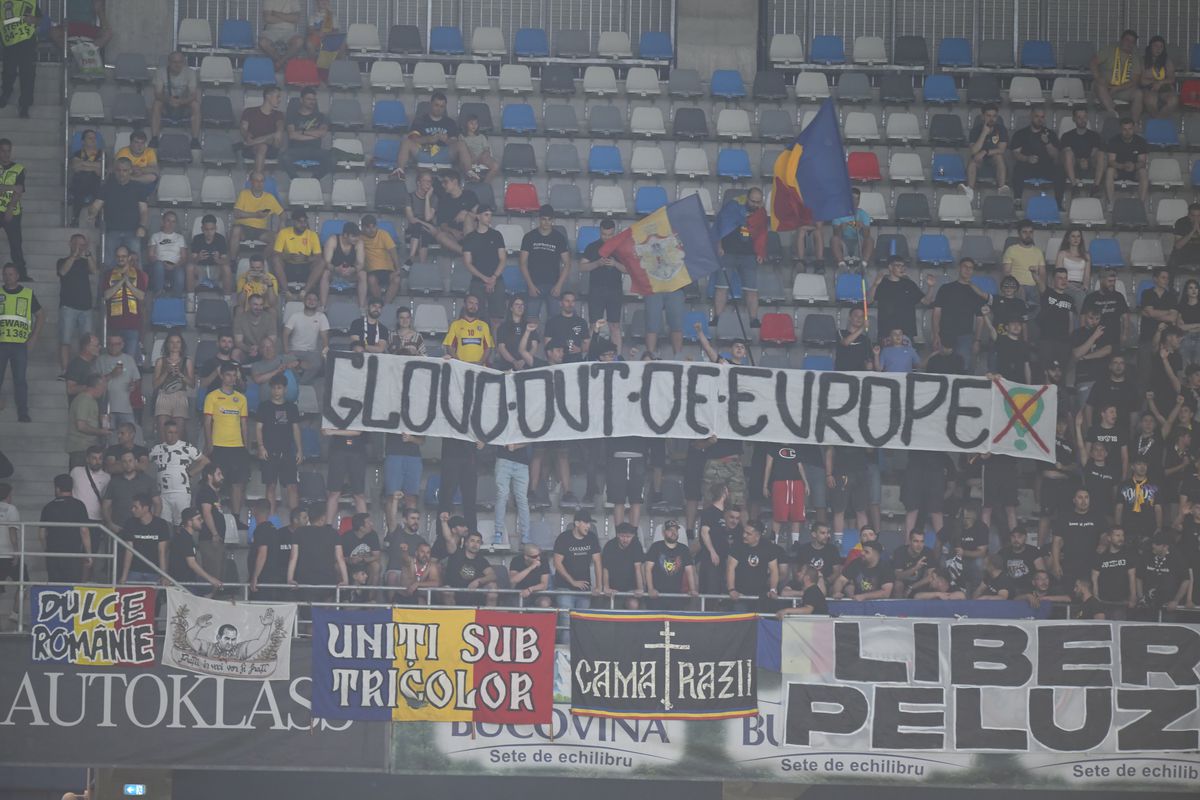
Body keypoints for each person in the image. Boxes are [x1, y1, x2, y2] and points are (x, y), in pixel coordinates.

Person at [714, 187, 767, 326]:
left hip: (749, 255)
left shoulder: (761, 214)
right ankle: (717, 317)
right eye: (753, 201)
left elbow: (762, 234)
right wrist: (719, 246)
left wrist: (760, 252)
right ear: (747, 198)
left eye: (758, 202)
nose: (755, 204)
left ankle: (754, 319)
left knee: (752, 290)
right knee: (721, 287)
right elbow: (720, 227)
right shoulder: (732, 207)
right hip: (728, 253)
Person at [203, 363, 250, 522]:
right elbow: (207, 422)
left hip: (237, 447)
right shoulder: (212, 396)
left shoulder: (241, 398)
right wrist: (209, 444)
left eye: (234, 375)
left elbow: (244, 424)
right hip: (218, 446)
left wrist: (245, 445)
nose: (231, 378)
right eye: (228, 375)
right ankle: (215, 517)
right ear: (222, 376)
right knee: (216, 484)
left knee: (237, 484)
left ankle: (236, 518)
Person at [393, 91, 473, 179]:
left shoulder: (450, 122)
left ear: (445, 107)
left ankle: (469, 173)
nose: (439, 108)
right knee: (406, 142)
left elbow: (454, 142)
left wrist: (446, 140)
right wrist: (428, 139)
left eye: (442, 106)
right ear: (431, 104)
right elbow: (412, 139)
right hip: (424, 152)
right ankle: (399, 171)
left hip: (444, 154)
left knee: (461, 144)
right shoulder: (420, 120)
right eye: (436, 105)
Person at [0, 261, 42, 422]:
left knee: (20, 380)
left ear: (17, 276)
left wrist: (34, 337)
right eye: (5, 274)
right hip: (1, 343)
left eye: (11, 274)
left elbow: (41, 315)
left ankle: (23, 412)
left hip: (19, 344)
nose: (8, 277)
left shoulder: (27, 293)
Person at [87, 158, 148, 267]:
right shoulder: (107, 187)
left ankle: (137, 285)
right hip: (112, 231)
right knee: (109, 264)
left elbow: (143, 210)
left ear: (130, 171)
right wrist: (92, 212)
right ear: (115, 171)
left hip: (133, 231)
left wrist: (142, 226)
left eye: (125, 170)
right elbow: (96, 205)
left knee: (135, 263)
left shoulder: (138, 187)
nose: (121, 173)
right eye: (119, 170)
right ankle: (108, 284)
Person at [933, 258, 990, 371]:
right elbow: (936, 313)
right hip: (945, 334)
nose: (968, 270)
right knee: (942, 369)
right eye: (965, 266)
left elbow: (980, 318)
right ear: (959, 268)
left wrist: (977, 340)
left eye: (971, 268)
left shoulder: (976, 292)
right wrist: (936, 334)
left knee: (963, 369)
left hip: (965, 336)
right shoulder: (946, 288)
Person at [519, 205, 571, 320]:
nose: (546, 222)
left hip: (553, 285)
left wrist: (559, 285)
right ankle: (532, 339)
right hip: (534, 284)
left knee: (555, 320)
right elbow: (522, 263)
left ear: (553, 220)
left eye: (549, 219)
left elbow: (567, 263)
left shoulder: (559, 238)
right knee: (531, 319)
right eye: (544, 219)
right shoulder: (529, 237)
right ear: (539, 219)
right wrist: (530, 285)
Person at [148, 420, 204, 526]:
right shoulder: (156, 449)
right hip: (163, 494)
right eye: (170, 432)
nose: (173, 435)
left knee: (183, 524)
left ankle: (181, 542)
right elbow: (145, 464)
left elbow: (205, 461)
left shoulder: (186, 447)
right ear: (164, 432)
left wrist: (192, 473)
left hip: (181, 493)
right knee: (164, 525)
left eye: (175, 432)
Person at [288, 505, 348, 603]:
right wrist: (345, 580)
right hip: (328, 580)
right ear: (323, 518)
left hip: (305, 581)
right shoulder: (333, 533)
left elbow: (293, 557)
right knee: (326, 612)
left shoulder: (299, 532)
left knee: (308, 612)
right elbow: (340, 557)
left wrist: (290, 579)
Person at [40, 474, 93, 583]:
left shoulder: (48, 507)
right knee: (72, 586)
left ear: (57, 488)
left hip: (53, 553)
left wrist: (47, 551)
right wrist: (89, 554)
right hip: (73, 554)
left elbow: (41, 534)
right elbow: (84, 531)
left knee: (55, 587)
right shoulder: (79, 505)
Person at [869, 257, 936, 342]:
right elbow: (868, 301)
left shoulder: (909, 284)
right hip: (886, 333)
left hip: (906, 332)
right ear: (890, 267)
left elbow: (926, 302)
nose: (902, 268)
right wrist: (875, 285)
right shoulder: (881, 284)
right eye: (898, 265)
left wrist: (931, 287)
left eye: (903, 266)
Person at [461, 206, 507, 327]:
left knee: (497, 318)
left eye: (490, 215)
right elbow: (467, 262)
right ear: (478, 216)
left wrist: (493, 277)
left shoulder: (497, 235)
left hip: (497, 280)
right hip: (477, 281)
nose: (489, 218)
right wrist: (485, 278)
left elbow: (503, 259)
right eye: (486, 214)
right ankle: (479, 345)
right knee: (475, 317)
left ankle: (497, 345)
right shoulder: (470, 238)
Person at [101, 246, 148, 361]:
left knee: (129, 361)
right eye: (118, 256)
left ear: (129, 258)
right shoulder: (109, 274)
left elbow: (141, 296)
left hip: (132, 325)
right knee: (114, 360)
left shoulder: (138, 274)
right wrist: (121, 281)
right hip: (114, 326)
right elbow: (106, 295)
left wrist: (129, 283)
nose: (120, 259)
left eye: (123, 256)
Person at [228, 171, 284, 266]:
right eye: (256, 181)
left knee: (278, 237)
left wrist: (282, 224)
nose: (259, 184)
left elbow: (282, 214)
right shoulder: (244, 194)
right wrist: (255, 215)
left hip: (260, 231)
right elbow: (236, 214)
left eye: (262, 181)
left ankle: (261, 262)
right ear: (251, 182)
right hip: (243, 228)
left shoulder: (269, 197)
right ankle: (233, 261)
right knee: (236, 230)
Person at [726, 520, 782, 611]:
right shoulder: (737, 545)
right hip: (740, 594)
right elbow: (730, 568)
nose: (744, 535)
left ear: (757, 536)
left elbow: (774, 570)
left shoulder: (768, 547)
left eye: (748, 534)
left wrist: (773, 589)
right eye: (744, 532)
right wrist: (731, 589)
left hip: (761, 595)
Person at [102, 450, 160, 537]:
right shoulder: (113, 482)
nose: (128, 464)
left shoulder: (148, 481)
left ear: (136, 462)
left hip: (142, 529)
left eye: (130, 461)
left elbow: (158, 503)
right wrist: (110, 523)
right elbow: (106, 506)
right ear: (121, 464)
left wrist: (152, 523)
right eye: (124, 461)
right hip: (119, 528)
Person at [149, 51, 200, 148]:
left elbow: (193, 95)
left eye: (180, 62)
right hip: (166, 102)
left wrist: (181, 101)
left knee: (196, 105)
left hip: (184, 103)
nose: (177, 65)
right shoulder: (160, 72)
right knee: (156, 104)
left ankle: (195, 139)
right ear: (169, 62)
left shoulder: (190, 73)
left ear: (183, 62)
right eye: (174, 62)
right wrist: (169, 100)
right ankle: (154, 137)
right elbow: (158, 94)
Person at [553, 510, 602, 609]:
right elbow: (557, 563)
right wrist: (573, 582)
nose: (589, 526)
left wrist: (599, 586)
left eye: (589, 523)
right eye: (586, 523)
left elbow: (598, 562)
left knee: (582, 620)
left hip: (584, 588)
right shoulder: (563, 538)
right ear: (577, 523)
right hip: (564, 587)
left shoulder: (592, 538)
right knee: (565, 619)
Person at [273, 210, 325, 302]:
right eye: (300, 222)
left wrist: (306, 258)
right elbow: (276, 253)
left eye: (305, 221)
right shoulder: (284, 233)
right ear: (293, 222)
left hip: (305, 267)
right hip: (289, 266)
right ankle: (287, 292)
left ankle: (304, 292)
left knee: (321, 262)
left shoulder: (312, 235)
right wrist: (290, 257)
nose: (303, 224)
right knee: (276, 259)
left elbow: (318, 256)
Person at [1091, 30, 1144, 121]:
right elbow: (1093, 62)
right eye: (1127, 40)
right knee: (1100, 84)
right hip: (1105, 87)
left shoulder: (1135, 57)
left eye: (1132, 42)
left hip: (1122, 90)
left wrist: (1117, 88)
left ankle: (1134, 124)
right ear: (1121, 40)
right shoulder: (1110, 49)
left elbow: (1135, 81)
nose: (1129, 43)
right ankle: (1114, 115)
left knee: (1138, 93)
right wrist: (1098, 77)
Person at [644, 519, 697, 609]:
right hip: (657, 594)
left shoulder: (683, 549)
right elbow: (647, 569)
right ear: (664, 533)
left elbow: (689, 571)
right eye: (670, 530)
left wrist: (692, 589)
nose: (674, 532)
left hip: (676, 595)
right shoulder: (656, 547)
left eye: (675, 530)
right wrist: (650, 589)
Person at [117, 494, 169, 584]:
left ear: (145, 508)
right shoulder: (130, 523)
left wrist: (164, 575)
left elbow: (162, 551)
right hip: (134, 571)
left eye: (135, 507)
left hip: (154, 572)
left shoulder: (161, 524)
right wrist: (124, 576)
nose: (132, 510)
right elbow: (129, 550)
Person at [168, 507, 223, 592]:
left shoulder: (184, 536)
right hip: (183, 584)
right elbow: (192, 563)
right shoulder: (184, 538)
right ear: (189, 522)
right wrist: (211, 579)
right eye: (199, 519)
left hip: (187, 580)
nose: (202, 521)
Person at [283, 86, 333, 179]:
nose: (312, 102)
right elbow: (292, 135)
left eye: (314, 99)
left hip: (315, 150)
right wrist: (314, 135)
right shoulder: (292, 116)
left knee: (332, 159)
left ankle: (314, 179)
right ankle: (296, 180)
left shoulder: (321, 116)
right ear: (301, 100)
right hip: (296, 150)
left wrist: (302, 132)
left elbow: (322, 133)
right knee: (284, 157)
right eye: (309, 99)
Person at [0, 1, 39, 118]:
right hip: (9, 41)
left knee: (27, 73)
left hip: (27, 41)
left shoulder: (32, 2)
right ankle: (6, 93)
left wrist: (34, 20)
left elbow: (43, 20)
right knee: (9, 71)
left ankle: (25, 104)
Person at [282, 290, 329, 383]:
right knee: (284, 362)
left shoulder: (321, 317)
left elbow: (325, 337)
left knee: (318, 364)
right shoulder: (295, 316)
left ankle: (300, 383)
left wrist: (324, 353)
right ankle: (298, 380)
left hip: (311, 352)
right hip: (294, 351)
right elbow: (285, 333)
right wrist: (287, 350)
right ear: (304, 301)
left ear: (318, 303)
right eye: (309, 299)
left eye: (314, 300)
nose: (311, 302)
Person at [322, 426, 367, 522]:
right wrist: (329, 431)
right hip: (337, 450)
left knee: (359, 494)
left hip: (357, 451)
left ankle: (365, 528)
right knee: (334, 493)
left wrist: (332, 432)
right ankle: (328, 528)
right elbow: (324, 430)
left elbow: (357, 431)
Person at [441, 530, 497, 606]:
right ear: (466, 543)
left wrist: (479, 581)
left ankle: (489, 616)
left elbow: (492, 575)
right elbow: (448, 539)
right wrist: (443, 521)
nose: (475, 544)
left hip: (474, 596)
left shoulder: (482, 560)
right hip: (455, 595)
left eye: (478, 542)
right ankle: (453, 617)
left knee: (493, 586)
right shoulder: (456, 553)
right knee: (446, 589)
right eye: (472, 541)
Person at [240, 85, 285, 176]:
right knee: (262, 146)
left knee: (265, 144)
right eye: (278, 97)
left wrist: (276, 133)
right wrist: (246, 135)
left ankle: (257, 177)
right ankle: (258, 179)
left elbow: (279, 133)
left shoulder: (279, 115)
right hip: (250, 149)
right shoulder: (249, 111)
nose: (280, 100)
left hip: (271, 148)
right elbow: (243, 128)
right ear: (268, 96)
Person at [320, 221, 365, 309]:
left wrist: (353, 270)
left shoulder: (359, 243)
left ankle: (362, 307)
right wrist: (336, 269)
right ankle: (322, 306)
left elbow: (361, 264)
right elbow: (326, 262)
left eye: (357, 236)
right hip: (334, 272)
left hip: (350, 273)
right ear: (345, 235)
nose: (356, 239)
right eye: (353, 236)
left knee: (363, 274)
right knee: (325, 273)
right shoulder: (332, 240)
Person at [1104, 117, 1149, 206]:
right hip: (1118, 170)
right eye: (1124, 129)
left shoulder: (1141, 141)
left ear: (1134, 128)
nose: (1127, 132)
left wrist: (1134, 166)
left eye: (1130, 129)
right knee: (1109, 171)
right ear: (1120, 129)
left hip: (1134, 171)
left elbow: (1142, 162)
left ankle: (1141, 204)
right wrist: (1122, 166)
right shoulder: (1113, 141)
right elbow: (1111, 161)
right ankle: (1110, 203)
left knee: (1143, 171)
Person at [65, 375, 107, 469]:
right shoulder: (84, 400)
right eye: (103, 387)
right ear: (97, 386)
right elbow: (81, 426)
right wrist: (101, 432)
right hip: (80, 449)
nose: (104, 390)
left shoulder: (91, 400)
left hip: (87, 448)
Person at [432, 170, 477, 256]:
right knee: (440, 236)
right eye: (442, 182)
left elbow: (480, 216)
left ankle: (469, 249)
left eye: (445, 182)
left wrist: (467, 214)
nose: (443, 185)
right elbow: (442, 224)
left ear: (455, 182)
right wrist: (453, 231)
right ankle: (466, 253)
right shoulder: (443, 201)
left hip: (471, 233)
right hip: (454, 235)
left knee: (468, 218)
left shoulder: (470, 195)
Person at [493, 442, 530, 547]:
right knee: (502, 495)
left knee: (522, 499)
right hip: (504, 460)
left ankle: (525, 535)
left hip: (522, 462)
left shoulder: (525, 424)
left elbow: (532, 437)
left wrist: (516, 446)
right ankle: (498, 533)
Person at [1060, 109, 1106, 192]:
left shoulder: (1094, 135)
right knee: (1067, 153)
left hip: (1090, 166)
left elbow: (1094, 153)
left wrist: (1087, 161)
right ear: (1074, 119)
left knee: (1101, 154)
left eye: (1085, 117)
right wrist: (1079, 161)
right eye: (1079, 117)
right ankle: (1074, 186)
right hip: (1073, 168)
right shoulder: (1067, 136)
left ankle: (1096, 187)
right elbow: (1067, 155)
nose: (1082, 120)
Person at [0, 140, 27, 278]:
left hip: (12, 211)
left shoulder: (18, 168)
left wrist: (9, 209)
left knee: (16, 245)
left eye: (8, 151)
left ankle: (21, 274)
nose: (6, 154)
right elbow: (15, 188)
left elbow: (20, 190)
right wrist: (11, 187)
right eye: (3, 151)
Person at [1092, 527, 1137, 612]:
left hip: (1122, 601)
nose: (1121, 538)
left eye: (1122, 535)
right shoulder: (1101, 555)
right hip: (1103, 601)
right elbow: (1094, 577)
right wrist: (1096, 596)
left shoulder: (1128, 554)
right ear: (1109, 538)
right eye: (1117, 535)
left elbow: (1132, 576)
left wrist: (1133, 596)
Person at [601, 522, 645, 608]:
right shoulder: (609, 546)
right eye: (622, 536)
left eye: (628, 537)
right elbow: (605, 569)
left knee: (633, 604)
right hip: (613, 588)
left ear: (633, 536)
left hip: (631, 589)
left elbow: (638, 568)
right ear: (617, 535)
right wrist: (606, 587)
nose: (625, 540)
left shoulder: (636, 545)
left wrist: (640, 588)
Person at [966, 104, 1008, 192]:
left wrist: (985, 151)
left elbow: (1001, 149)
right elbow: (973, 151)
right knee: (973, 160)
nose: (991, 119)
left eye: (994, 116)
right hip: (979, 160)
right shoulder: (975, 130)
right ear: (982, 116)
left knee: (999, 157)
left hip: (993, 159)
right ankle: (969, 191)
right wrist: (984, 133)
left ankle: (1001, 189)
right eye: (988, 116)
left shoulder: (1001, 129)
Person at [360, 214, 401, 304]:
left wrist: (398, 269)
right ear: (362, 228)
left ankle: (385, 305)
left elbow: (393, 251)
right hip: (372, 270)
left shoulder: (383, 234)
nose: (371, 230)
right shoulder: (359, 238)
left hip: (388, 269)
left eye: (373, 227)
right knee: (371, 280)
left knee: (397, 280)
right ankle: (379, 304)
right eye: (368, 227)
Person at [148, 211, 189, 296]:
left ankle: (177, 298)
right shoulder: (155, 236)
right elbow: (151, 255)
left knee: (180, 272)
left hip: (175, 266)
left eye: (173, 221)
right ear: (163, 222)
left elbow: (184, 258)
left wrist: (174, 265)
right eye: (168, 221)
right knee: (158, 266)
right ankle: (158, 294)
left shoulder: (180, 237)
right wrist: (161, 263)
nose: (171, 224)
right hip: (159, 265)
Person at [830, 187, 874, 268]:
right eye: (853, 198)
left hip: (858, 243)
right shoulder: (838, 213)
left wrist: (863, 227)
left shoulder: (863, 214)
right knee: (834, 239)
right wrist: (841, 228)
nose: (855, 201)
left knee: (870, 239)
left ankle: (863, 265)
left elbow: (867, 235)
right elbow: (836, 235)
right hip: (843, 243)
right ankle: (841, 264)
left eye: (857, 199)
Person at [443, 293, 492, 364]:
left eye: (476, 304)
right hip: (461, 367)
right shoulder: (455, 325)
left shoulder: (484, 325)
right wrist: (459, 362)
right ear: (464, 304)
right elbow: (450, 346)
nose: (473, 306)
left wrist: (481, 362)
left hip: (479, 367)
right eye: (471, 303)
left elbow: (488, 347)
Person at [403, 169, 438, 266]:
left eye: (430, 181)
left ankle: (410, 259)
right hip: (414, 229)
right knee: (419, 228)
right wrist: (425, 224)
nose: (428, 184)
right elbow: (411, 219)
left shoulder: (434, 198)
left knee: (423, 231)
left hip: (427, 229)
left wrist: (427, 198)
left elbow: (428, 217)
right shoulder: (409, 196)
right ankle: (422, 265)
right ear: (418, 183)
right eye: (425, 181)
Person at [190, 213, 231, 294]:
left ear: (216, 228)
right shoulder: (197, 239)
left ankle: (227, 298)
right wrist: (198, 257)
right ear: (202, 229)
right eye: (206, 229)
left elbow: (225, 260)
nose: (209, 232)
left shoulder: (220, 239)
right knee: (189, 267)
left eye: (212, 229)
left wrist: (218, 260)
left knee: (226, 268)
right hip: (200, 269)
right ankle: (190, 297)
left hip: (216, 270)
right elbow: (192, 261)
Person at [890, 528, 938, 598]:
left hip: (920, 583)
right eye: (916, 541)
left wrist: (912, 587)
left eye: (922, 541)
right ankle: (900, 607)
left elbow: (931, 576)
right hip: (904, 582)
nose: (919, 545)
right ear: (910, 541)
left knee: (935, 582)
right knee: (898, 584)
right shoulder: (900, 552)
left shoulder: (928, 552)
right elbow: (898, 576)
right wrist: (916, 568)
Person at [114, 130, 160, 202]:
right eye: (136, 142)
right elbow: (118, 168)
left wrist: (140, 170)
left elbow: (154, 169)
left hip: (138, 179)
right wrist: (133, 170)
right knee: (120, 176)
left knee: (153, 177)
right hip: (127, 182)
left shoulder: (149, 151)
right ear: (131, 143)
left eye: (142, 143)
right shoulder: (123, 151)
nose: (140, 146)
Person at [69, 445, 109, 528]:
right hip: (76, 517)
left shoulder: (107, 477)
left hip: (97, 518)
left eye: (100, 458)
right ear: (87, 459)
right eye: (94, 458)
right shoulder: (76, 472)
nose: (97, 461)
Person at [69, 129, 103, 224]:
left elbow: (101, 170)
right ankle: (75, 218)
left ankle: (98, 219)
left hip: (96, 183)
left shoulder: (102, 154)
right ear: (83, 141)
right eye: (90, 138)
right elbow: (76, 167)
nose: (93, 140)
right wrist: (93, 166)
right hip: (79, 183)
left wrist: (83, 164)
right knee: (80, 185)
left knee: (101, 191)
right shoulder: (77, 153)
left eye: (94, 138)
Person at [1139, 36, 1178, 119]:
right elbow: (1142, 80)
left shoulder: (1167, 61)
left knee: (1173, 101)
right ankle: (1158, 122)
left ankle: (1158, 121)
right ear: (1150, 47)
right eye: (1156, 46)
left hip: (1165, 87)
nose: (1158, 49)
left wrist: (1160, 83)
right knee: (1150, 101)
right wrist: (1154, 82)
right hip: (1149, 88)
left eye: (1161, 46)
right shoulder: (1142, 60)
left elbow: (1172, 78)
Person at [341, 513, 382, 590]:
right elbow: (338, 557)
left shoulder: (373, 535)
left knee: (376, 566)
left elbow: (377, 556)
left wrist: (363, 559)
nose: (372, 524)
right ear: (361, 528)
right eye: (369, 522)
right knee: (337, 567)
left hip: (366, 565)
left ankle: (370, 599)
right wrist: (349, 560)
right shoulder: (346, 537)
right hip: (350, 566)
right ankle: (343, 596)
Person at [259, 0, 304, 68]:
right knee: (263, 42)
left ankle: (280, 62)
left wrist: (276, 13)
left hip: (289, 31)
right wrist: (288, 18)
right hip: (271, 31)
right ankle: (282, 61)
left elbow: (296, 18)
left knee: (299, 41)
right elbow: (268, 18)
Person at [460, 114, 497, 182]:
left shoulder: (481, 136)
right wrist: (472, 156)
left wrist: (481, 156)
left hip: (482, 157)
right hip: (469, 158)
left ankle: (485, 185)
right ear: (466, 124)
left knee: (495, 166)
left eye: (476, 123)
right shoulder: (462, 136)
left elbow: (486, 149)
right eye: (471, 123)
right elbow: (462, 149)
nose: (474, 125)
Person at [1169, 202, 1200, 271]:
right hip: (1184, 254)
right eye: (1193, 216)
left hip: (1198, 254)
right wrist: (1192, 232)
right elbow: (1178, 246)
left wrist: (1198, 230)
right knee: (1173, 259)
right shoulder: (1181, 222)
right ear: (1188, 215)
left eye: (1199, 216)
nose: (1196, 218)